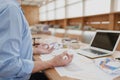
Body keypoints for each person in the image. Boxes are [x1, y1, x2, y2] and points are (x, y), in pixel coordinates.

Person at [0, 0, 73, 80]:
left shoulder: (9, 6)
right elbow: (8, 66)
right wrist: (52, 62)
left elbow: (5, 49)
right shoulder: (10, 9)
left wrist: (34, 50)